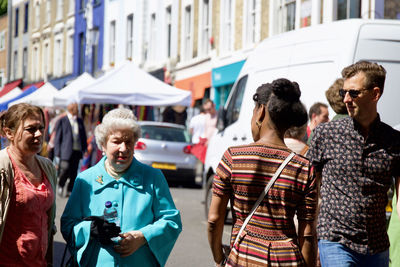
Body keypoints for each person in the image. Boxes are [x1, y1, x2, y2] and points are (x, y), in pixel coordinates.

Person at [208, 79, 318, 267]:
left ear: (261, 111)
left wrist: (219, 257)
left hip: (244, 257)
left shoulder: (233, 158)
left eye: (253, 111)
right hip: (287, 260)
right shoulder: (304, 168)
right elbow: (307, 235)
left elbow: (213, 220)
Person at [61, 107, 182, 266]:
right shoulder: (85, 180)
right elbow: (68, 225)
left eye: (129, 141)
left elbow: (172, 221)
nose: (123, 149)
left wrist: (142, 237)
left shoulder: (153, 178)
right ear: (103, 145)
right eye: (117, 141)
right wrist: (89, 229)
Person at [308, 61, 400, 267]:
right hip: (335, 240)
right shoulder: (325, 134)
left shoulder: (394, 142)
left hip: (376, 245)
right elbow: (310, 191)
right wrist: (310, 239)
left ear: (375, 94)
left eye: (354, 93)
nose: (346, 99)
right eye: (344, 93)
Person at [0, 103, 57, 266]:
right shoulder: (3, 166)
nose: (39, 134)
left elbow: (48, 220)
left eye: (41, 127)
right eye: (31, 129)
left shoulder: (47, 166)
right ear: (9, 133)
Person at [54, 102, 87, 197]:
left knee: (74, 172)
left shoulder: (79, 121)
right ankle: (61, 185)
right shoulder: (62, 120)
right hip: (65, 151)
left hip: (77, 150)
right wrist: (57, 153)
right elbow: (58, 138)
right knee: (65, 169)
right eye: (76, 109)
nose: (77, 111)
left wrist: (84, 148)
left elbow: (83, 136)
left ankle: (69, 190)